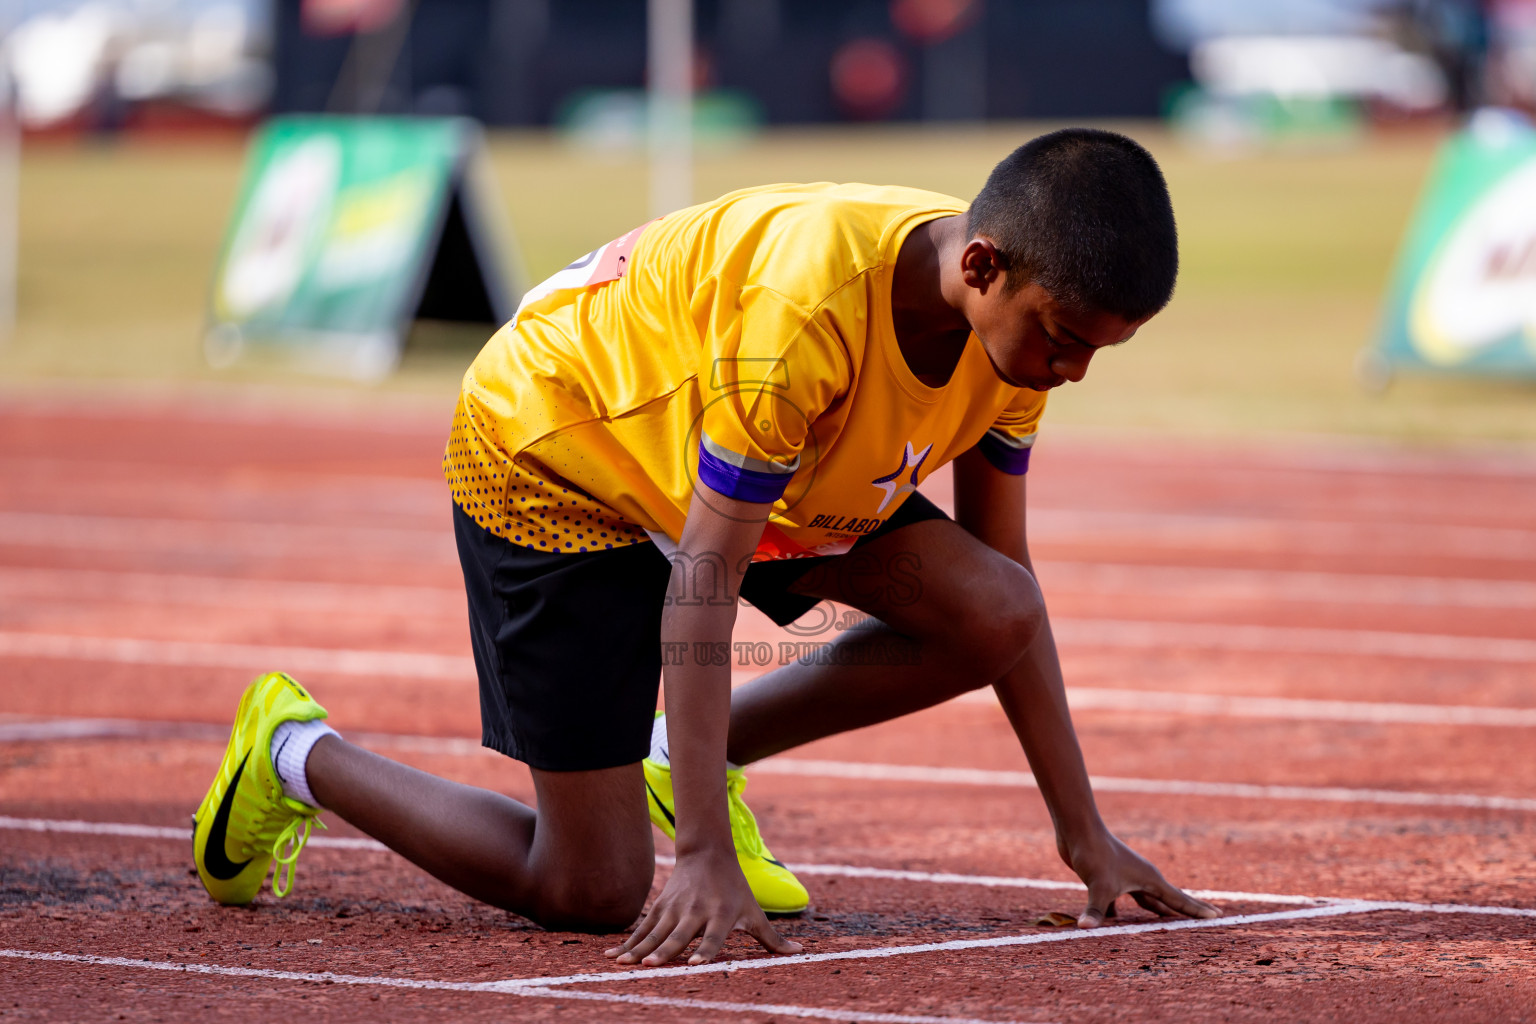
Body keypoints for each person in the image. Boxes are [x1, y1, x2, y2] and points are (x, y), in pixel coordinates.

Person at [192, 127, 1220, 968]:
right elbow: (704, 572)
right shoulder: (806, 316)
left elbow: (1012, 591)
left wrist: (1082, 833)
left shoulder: (1014, 342)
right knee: (590, 891)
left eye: (1097, 349)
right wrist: (701, 855)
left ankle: (682, 757)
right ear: (984, 266)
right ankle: (291, 751)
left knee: (991, 608)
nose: (1074, 370)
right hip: (561, 454)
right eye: (1065, 338)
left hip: (756, 468)